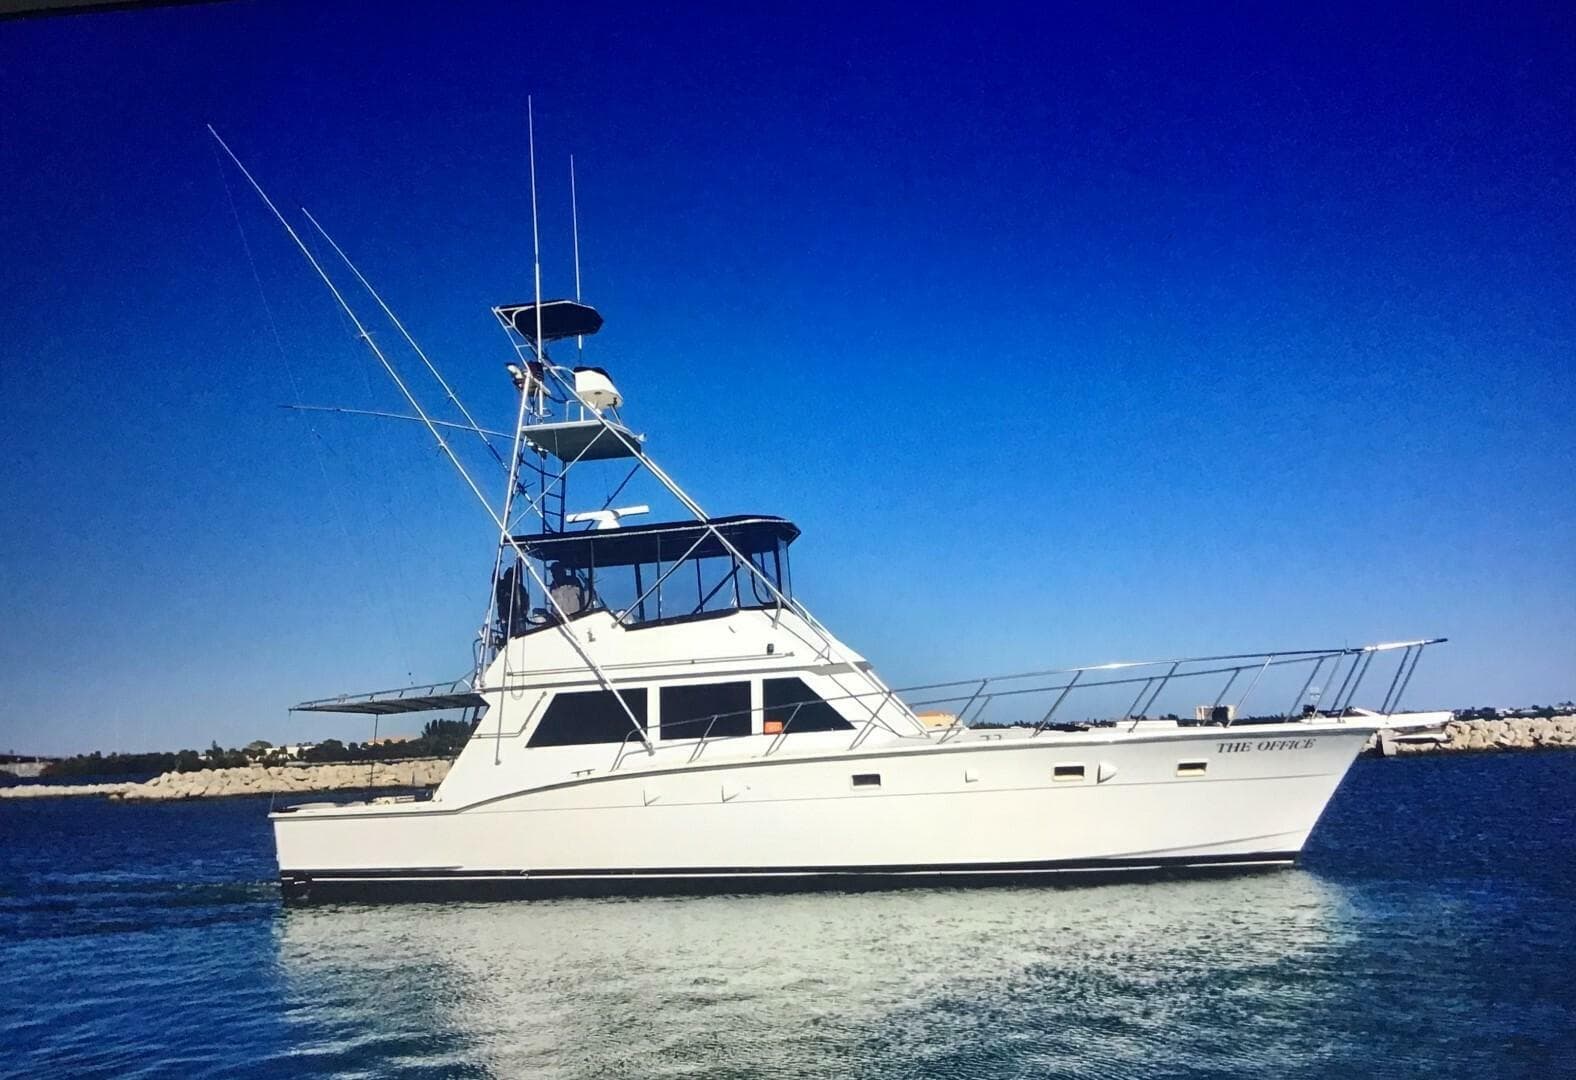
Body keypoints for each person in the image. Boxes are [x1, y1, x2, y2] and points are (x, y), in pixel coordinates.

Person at [495, 562, 530, 639]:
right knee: (509, 638)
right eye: (508, 575)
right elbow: (495, 580)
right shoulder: (501, 587)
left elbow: (526, 602)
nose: (509, 578)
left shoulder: (520, 588)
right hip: (505, 620)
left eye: (511, 576)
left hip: (518, 619)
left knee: (520, 637)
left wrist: (524, 613)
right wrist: (497, 566)